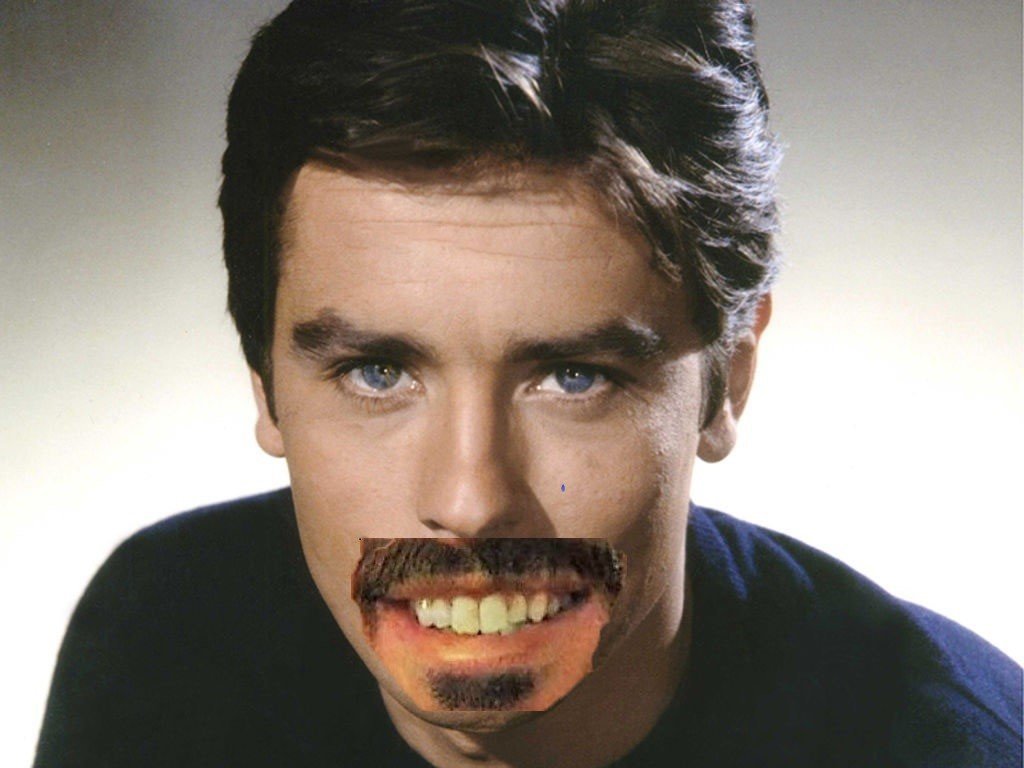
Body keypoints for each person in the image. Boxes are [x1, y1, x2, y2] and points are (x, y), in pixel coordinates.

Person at [34, 1, 1021, 766]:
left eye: (573, 376)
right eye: (378, 372)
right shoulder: (162, 635)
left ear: (729, 379)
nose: (469, 502)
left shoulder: (945, 747)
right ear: (263, 384)